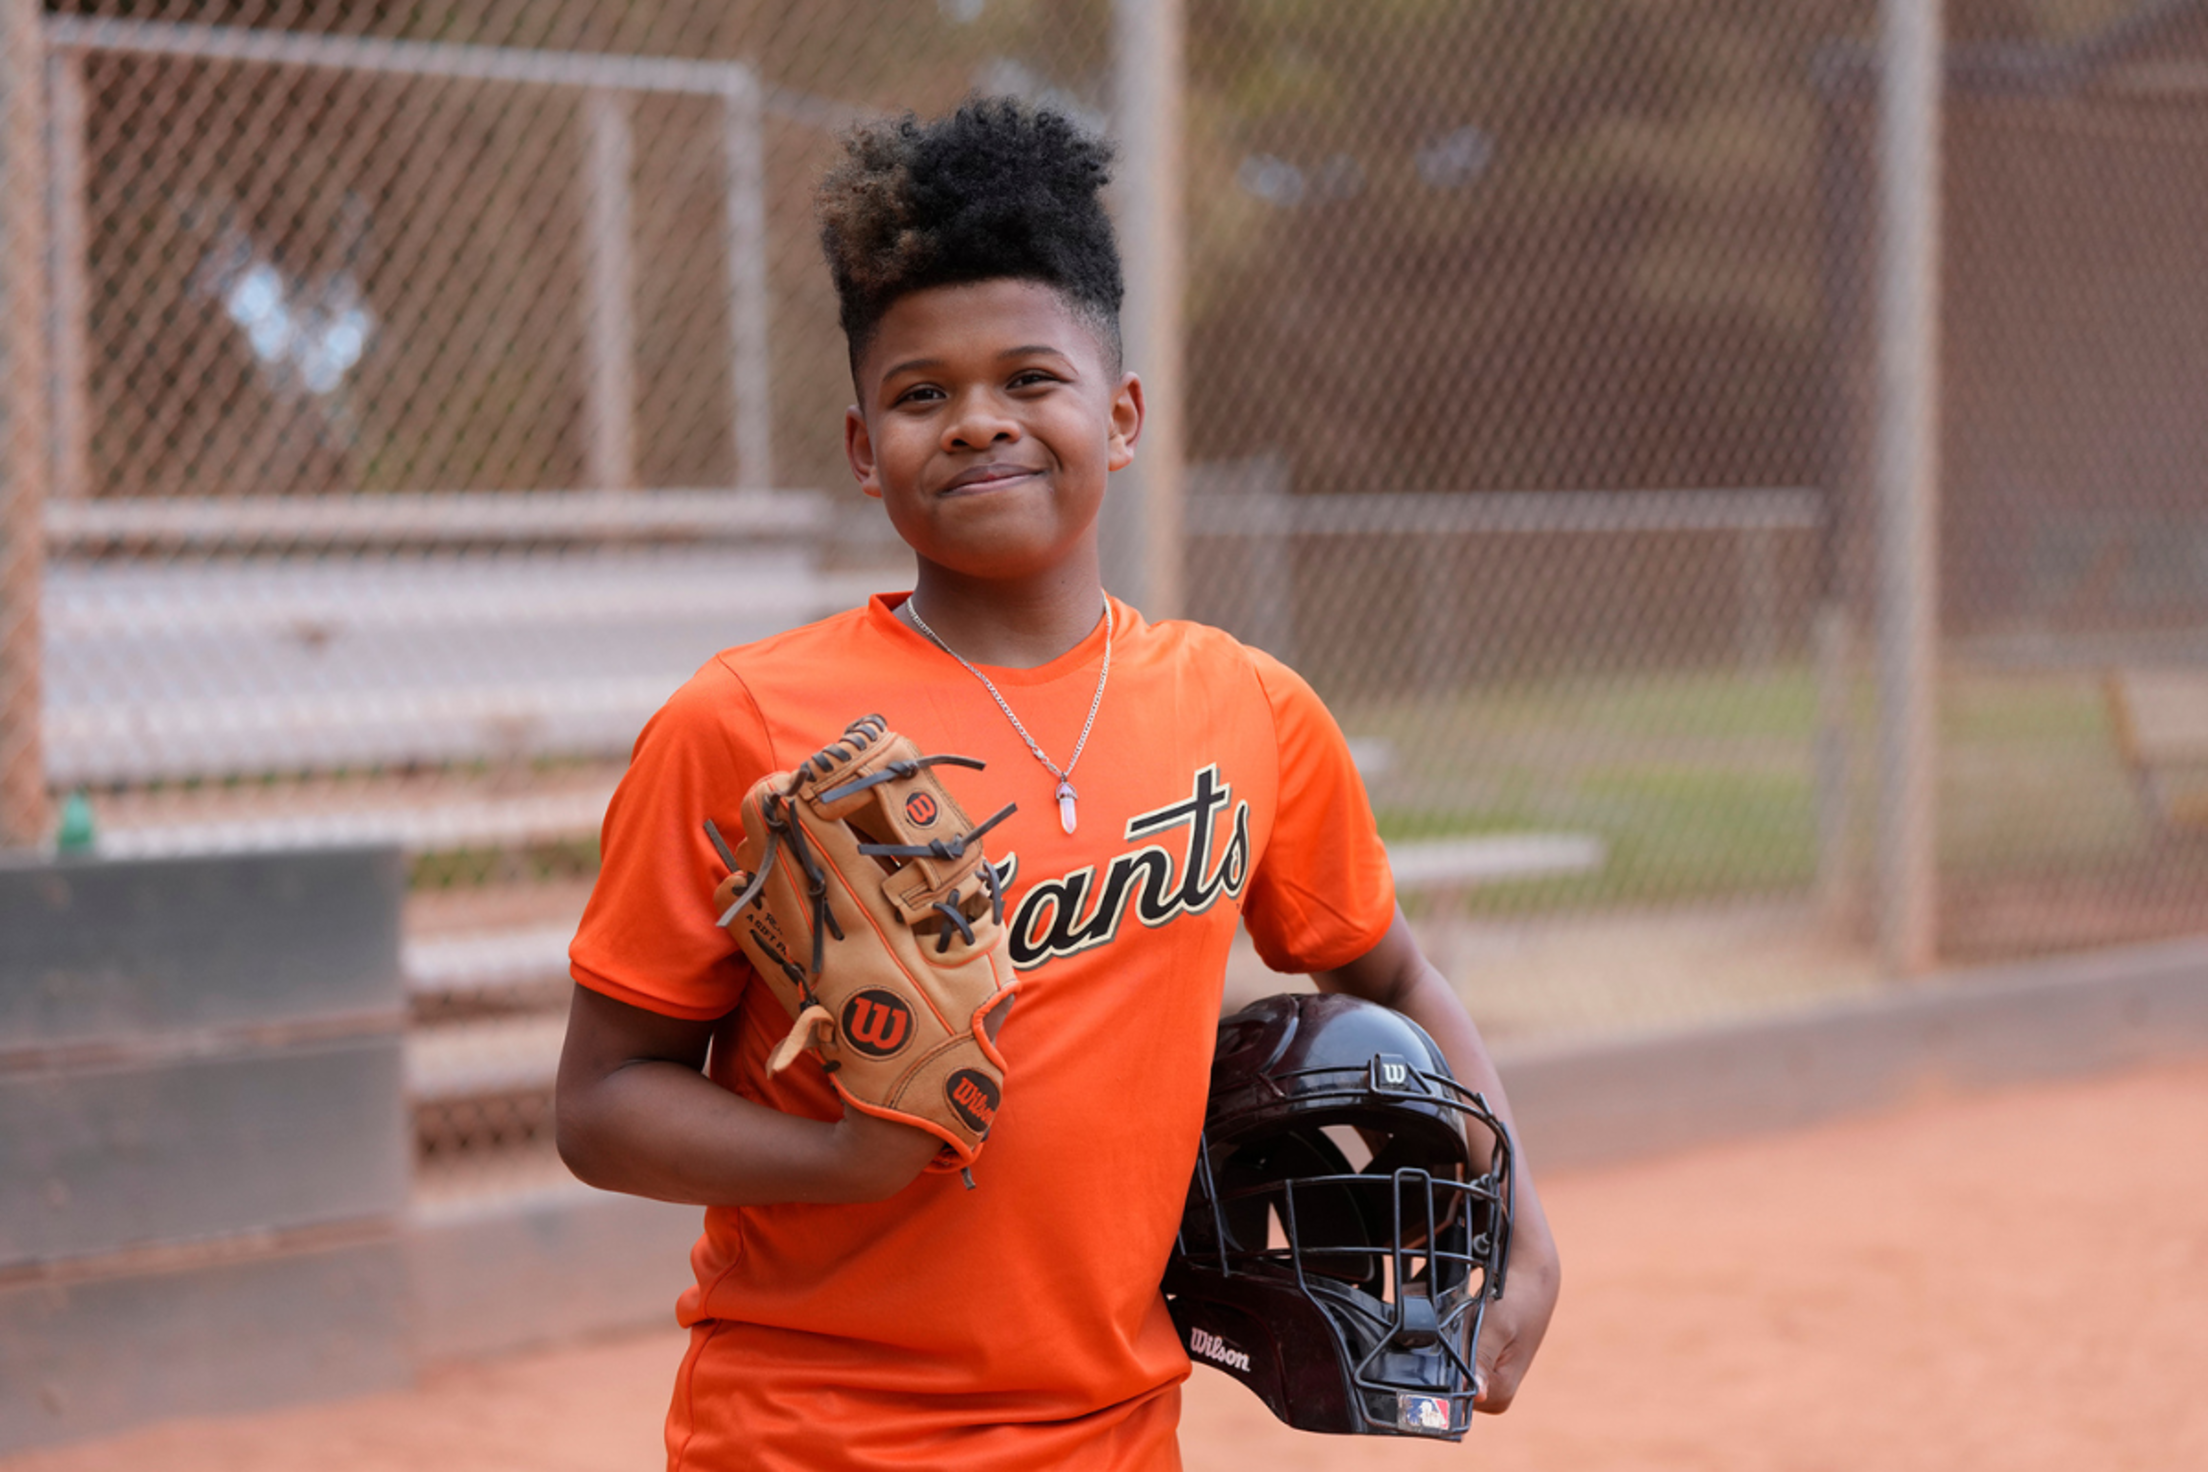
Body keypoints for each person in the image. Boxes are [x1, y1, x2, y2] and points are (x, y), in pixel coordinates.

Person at [556, 97, 1559, 1471]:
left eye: (1029, 378)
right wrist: (848, 1161)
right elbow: (602, 1101)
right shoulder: (746, 723)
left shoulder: (1245, 710)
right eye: (922, 394)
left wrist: (1511, 1216)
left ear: (1123, 415)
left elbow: (1392, 980)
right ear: (864, 451)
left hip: (1116, 1436)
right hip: (810, 1433)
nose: (978, 423)